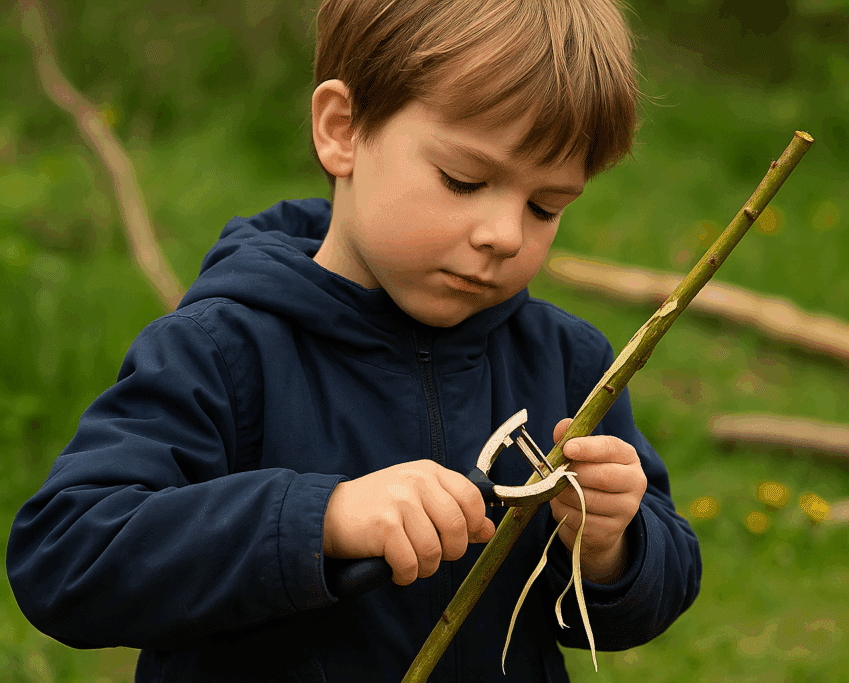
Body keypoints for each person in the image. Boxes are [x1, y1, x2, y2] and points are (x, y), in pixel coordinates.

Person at [7, 0, 701, 680]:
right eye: (465, 181)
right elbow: (66, 555)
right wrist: (319, 519)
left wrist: (614, 543)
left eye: (545, 206)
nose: (505, 234)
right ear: (342, 129)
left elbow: (646, 593)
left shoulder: (567, 364)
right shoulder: (222, 351)